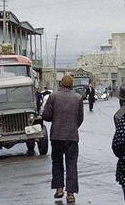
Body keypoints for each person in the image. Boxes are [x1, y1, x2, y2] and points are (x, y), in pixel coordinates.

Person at [42, 75, 85, 203]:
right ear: (72, 85)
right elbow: (80, 118)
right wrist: (72, 126)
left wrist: (55, 120)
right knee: (71, 163)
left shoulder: (53, 97)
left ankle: (59, 189)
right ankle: (70, 193)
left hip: (56, 136)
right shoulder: (78, 98)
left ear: (61, 84)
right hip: (72, 136)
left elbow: (46, 115)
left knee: (57, 162)